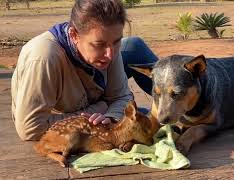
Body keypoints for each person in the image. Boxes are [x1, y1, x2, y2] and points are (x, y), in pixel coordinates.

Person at [11, 0, 158, 141]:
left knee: (135, 46)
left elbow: (122, 97)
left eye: (116, 41)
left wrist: (111, 116)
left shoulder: (109, 49)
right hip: (71, 112)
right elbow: (30, 128)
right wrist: (98, 109)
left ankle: (179, 103)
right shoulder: (44, 58)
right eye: (98, 44)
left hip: (95, 102)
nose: (110, 54)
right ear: (74, 35)